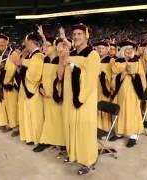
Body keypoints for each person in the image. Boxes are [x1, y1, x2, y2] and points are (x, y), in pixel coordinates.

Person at [57, 23, 100, 175]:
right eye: (74, 34)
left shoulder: (92, 54)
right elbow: (62, 75)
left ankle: (88, 161)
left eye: (79, 34)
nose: (75, 37)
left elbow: (90, 79)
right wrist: (63, 59)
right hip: (70, 97)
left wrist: (80, 99)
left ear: (86, 35)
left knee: (84, 130)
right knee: (71, 127)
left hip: (84, 99)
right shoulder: (72, 52)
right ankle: (74, 154)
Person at [110, 41, 146, 147]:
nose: (129, 51)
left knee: (132, 112)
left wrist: (132, 74)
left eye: (131, 50)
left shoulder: (137, 61)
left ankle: (133, 136)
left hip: (133, 91)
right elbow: (113, 78)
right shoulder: (117, 62)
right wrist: (123, 73)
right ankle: (119, 132)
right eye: (127, 49)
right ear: (122, 51)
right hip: (120, 92)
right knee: (120, 111)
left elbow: (142, 76)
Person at [35, 37, 66, 152]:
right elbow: (42, 77)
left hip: (57, 94)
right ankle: (47, 140)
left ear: (55, 47)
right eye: (44, 46)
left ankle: (62, 142)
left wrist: (62, 59)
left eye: (47, 45)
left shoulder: (60, 59)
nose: (44, 48)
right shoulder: (45, 60)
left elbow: (60, 77)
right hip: (46, 95)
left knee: (58, 119)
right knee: (48, 119)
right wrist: (41, 88)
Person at [18, 33, 45, 145]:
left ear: (31, 43)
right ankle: (30, 137)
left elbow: (34, 76)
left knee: (35, 116)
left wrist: (22, 63)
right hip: (25, 89)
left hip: (32, 90)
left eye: (26, 43)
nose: (25, 45)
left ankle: (37, 138)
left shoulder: (38, 56)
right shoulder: (31, 55)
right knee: (28, 114)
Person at [0, 34, 19, 133]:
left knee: (12, 106)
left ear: (6, 42)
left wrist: (6, 81)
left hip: (10, 84)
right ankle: (8, 123)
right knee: (4, 105)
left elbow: (14, 69)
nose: (0, 44)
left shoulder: (12, 54)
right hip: (1, 84)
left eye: (2, 42)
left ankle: (17, 126)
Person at [95, 41, 112, 132]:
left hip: (105, 87)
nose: (100, 50)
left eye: (103, 48)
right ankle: (97, 126)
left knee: (104, 107)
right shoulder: (95, 59)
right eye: (99, 48)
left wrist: (104, 76)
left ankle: (105, 128)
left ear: (106, 50)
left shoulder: (111, 60)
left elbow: (112, 75)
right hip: (95, 87)